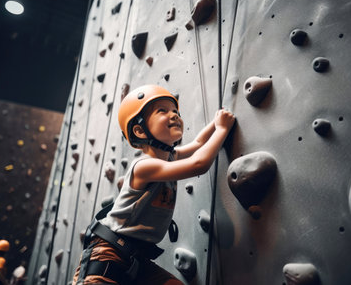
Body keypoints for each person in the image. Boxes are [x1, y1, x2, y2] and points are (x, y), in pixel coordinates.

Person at [73, 85, 235, 284]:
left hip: (135, 258)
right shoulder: (144, 166)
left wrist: (217, 121)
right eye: (163, 111)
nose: (174, 115)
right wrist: (222, 129)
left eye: (176, 111)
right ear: (140, 130)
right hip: (107, 254)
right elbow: (199, 164)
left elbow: (198, 144)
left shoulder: (170, 158)